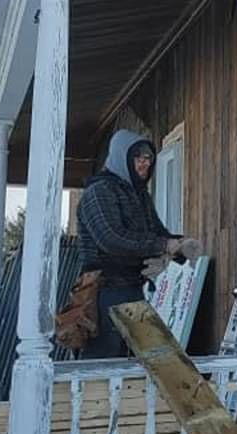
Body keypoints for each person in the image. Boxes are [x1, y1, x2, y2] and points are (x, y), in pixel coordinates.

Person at [75, 129, 200, 358]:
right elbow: (113, 239)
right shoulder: (99, 192)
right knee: (104, 369)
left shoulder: (139, 195)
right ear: (122, 158)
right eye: (138, 158)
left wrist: (180, 244)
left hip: (132, 290)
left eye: (148, 159)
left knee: (151, 362)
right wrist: (164, 245)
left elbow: (157, 232)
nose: (144, 164)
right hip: (103, 294)